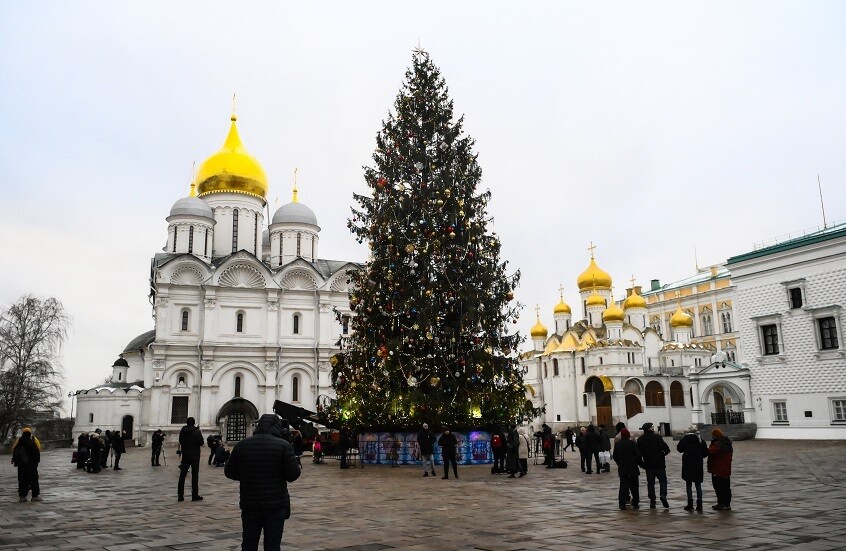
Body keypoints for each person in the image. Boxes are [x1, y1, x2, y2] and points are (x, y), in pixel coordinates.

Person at [225, 414, 301, 551]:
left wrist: (247, 476)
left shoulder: (242, 445)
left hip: (250, 504)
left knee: (248, 543)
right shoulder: (283, 446)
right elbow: (293, 475)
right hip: (275, 505)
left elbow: (229, 472)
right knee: (272, 545)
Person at [636, 422, 671, 508]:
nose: (653, 428)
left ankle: (652, 500)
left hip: (648, 465)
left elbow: (638, 454)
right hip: (659, 464)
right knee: (663, 481)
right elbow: (666, 449)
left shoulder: (640, 439)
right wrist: (663, 454)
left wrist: (641, 464)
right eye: (652, 427)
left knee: (650, 483)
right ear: (649, 428)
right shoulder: (657, 437)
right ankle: (663, 495)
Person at [677, 425, 708, 511]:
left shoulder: (685, 439)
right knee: (698, 485)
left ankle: (690, 504)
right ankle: (699, 504)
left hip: (688, 464)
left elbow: (679, 449)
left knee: (688, 484)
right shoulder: (700, 440)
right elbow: (705, 453)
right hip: (698, 464)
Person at [612, 428, 641, 510]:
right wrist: (637, 462)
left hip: (623, 468)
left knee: (623, 486)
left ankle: (622, 503)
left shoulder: (618, 444)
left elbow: (615, 456)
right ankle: (635, 503)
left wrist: (619, 463)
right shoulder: (632, 443)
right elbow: (638, 454)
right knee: (634, 486)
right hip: (632, 467)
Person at [177, 417, 204, 502]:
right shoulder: (196, 431)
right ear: (194, 422)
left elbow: (180, 441)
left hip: (185, 455)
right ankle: (194, 495)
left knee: (182, 476)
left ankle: (180, 495)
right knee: (195, 475)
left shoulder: (183, 431)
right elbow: (201, 442)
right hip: (195, 456)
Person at [707, 427, 733, 511]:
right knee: (726, 487)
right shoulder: (727, 443)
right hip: (726, 469)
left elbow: (709, 452)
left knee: (719, 487)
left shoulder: (718, 445)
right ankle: (727, 503)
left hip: (717, 469)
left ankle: (722, 503)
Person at [13, 427, 42, 502]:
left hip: (21, 465)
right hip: (31, 465)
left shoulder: (19, 441)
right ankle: (35, 496)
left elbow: (14, 451)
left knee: (22, 480)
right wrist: (36, 462)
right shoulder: (32, 442)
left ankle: (22, 497)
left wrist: (16, 462)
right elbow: (37, 452)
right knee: (33, 480)